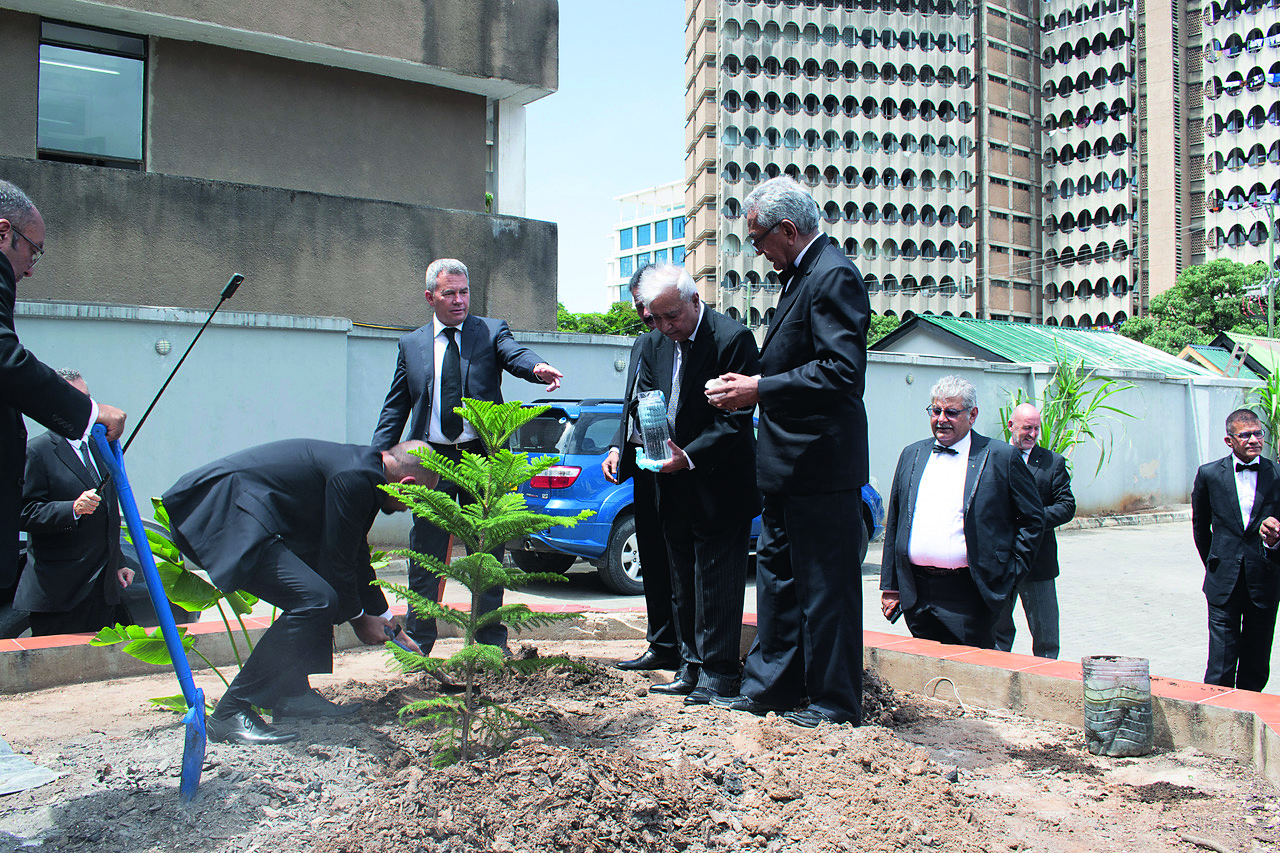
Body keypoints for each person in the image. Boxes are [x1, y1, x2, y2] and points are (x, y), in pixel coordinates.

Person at [706, 176, 870, 727]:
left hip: (820, 467)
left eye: (758, 238)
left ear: (788, 229)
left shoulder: (832, 275)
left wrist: (759, 388)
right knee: (778, 582)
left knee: (827, 591)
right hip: (785, 468)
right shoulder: (800, 275)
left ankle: (833, 702)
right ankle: (772, 688)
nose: (755, 250)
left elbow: (843, 372)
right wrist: (751, 384)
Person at [163, 439, 434, 745]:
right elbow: (338, 560)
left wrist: (389, 621)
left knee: (318, 591)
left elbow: (355, 551)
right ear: (408, 483)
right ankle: (229, 712)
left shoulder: (367, 471)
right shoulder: (357, 476)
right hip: (219, 510)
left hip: (242, 513)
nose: (410, 509)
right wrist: (359, 619)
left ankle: (292, 696)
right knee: (316, 600)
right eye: (417, 501)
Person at [371, 258, 563, 654]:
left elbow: (514, 353)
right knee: (426, 555)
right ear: (430, 297)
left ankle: (490, 643)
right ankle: (420, 642)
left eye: (464, 292)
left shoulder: (489, 331)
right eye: (449, 293)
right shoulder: (412, 344)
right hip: (431, 465)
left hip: (482, 461)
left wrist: (537, 367)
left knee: (488, 553)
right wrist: (374, 460)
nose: (459, 301)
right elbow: (396, 407)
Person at [627, 265, 760, 704]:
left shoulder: (731, 339)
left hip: (719, 481)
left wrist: (691, 454)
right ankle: (690, 666)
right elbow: (647, 399)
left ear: (693, 300)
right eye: (656, 319)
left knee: (717, 580)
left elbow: (736, 418)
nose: (665, 327)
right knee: (681, 579)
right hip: (671, 480)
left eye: (672, 317)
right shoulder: (655, 345)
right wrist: (657, 447)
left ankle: (719, 674)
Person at [0, 181, 127, 595]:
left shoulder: (94, 452)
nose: (31, 268)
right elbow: (5, 358)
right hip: (55, 588)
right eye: (32, 250)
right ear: (3, 233)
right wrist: (89, 413)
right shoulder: (42, 450)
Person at [880, 375, 1045, 650]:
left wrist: (1010, 573)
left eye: (952, 412)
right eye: (936, 411)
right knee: (924, 678)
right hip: (918, 595)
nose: (942, 419)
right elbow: (896, 521)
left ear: (973, 415)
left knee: (971, 678)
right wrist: (891, 585)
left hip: (971, 595)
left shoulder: (1000, 457)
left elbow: (1032, 519)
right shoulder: (912, 454)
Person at [602, 263, 680, 672]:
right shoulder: (642, 343)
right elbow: (630, 400)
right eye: (639, 308)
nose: (647, 316)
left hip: (676, 464)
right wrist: (617, 446)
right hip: (642, 465)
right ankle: (661, 642)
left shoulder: (680, 339)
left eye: (650, 306)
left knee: (676, 557)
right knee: (650, 554)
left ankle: (686, 647)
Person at [16, 369, 134, 635]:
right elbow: (22, 512)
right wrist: (71, 508)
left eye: (87, 399)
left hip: (102, 588)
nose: (85, 407)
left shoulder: (99, 447)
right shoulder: (36, 452)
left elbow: (108, 512)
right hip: (59, 591)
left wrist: (119, 561)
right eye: (75, 398)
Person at [1192, 409, 1280, 691]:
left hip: (1265, 579)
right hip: (1223, 580)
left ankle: (1248, 722)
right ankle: (1214, 721)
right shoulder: (1209, 474)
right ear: (1230, 441)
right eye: (1245, 435)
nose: (1253, 440)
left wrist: (1275, 541)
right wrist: (1214, 563)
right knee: (1220, 662)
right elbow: (1200, 526)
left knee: (1256, 661)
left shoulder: (1277, 474)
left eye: (1258, 434)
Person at [992, 403, 1076, 659]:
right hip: (1000, 562)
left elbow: (1067, 505)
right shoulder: (991, 457)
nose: (1032, 434)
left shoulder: (1052, 463)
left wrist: (1033, 518)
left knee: (1046, 636)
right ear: (1011, 425)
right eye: (1027, 428)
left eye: (1036, 428)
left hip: (1039, 563)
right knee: (997, 632)